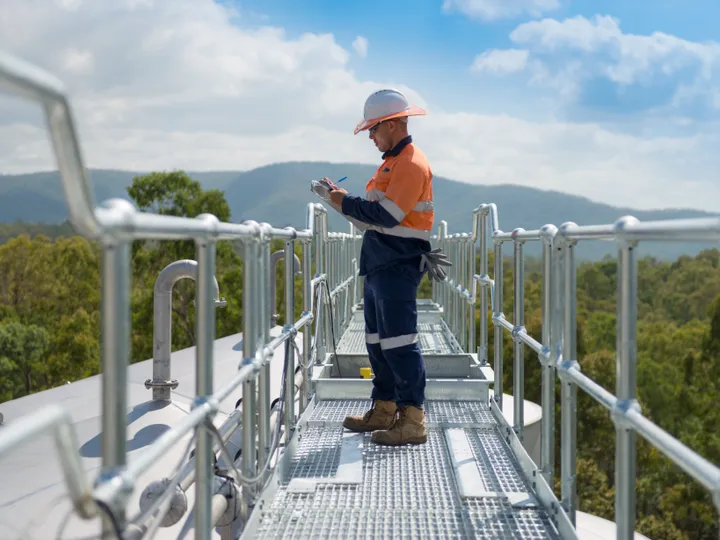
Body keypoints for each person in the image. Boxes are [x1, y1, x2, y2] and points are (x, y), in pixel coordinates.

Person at [324, 88, 450, 446]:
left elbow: (388, 216)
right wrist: (339, 203)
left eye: (373, 129)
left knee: (399, 342)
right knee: (378, 342)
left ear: (393, 125)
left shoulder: (410, 163)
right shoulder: (391, 163)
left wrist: (343, 201)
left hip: (397, 263)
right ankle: (384, 408)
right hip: (380, 262)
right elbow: (372, 221)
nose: (370, 137)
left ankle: (412, 420)